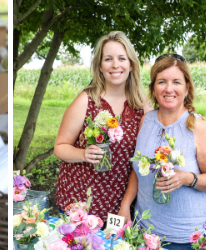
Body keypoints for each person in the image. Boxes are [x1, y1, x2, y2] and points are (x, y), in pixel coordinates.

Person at [128, 54, 206, 250]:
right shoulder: (145, 121)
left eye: (176, 82)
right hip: (144, 232)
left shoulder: (197, 126)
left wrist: (186, 178)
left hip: (184, 239)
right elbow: (137, 170)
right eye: (162, 82)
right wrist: (125, 205)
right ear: (153, 89)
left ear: (187, 88)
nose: (169, 88)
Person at [53, 31, 147, 222]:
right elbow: (60, 147)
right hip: (80, 203)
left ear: (131, 64)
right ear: (99, 66)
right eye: (108, 59)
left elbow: (143, 158)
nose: (115, 65)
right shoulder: (85, 101)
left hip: (121, 206)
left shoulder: (142, 106)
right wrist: (83, 154)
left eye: (122, 58)